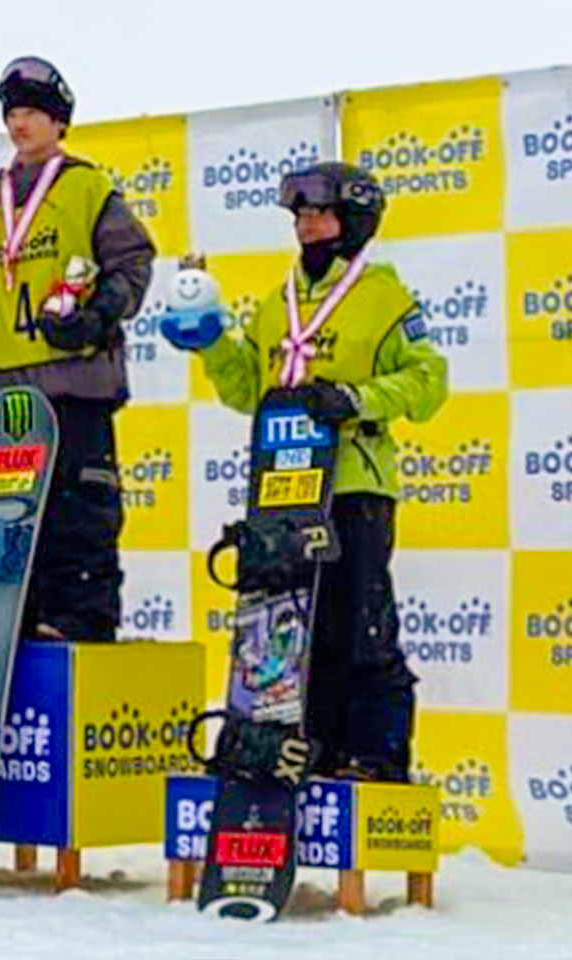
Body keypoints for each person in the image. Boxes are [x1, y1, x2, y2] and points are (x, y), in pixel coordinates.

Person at [165, 160, 450, 782]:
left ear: (353, 223)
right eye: (298, 216)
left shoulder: (386, 297)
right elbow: (248, 389)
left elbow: (430, 384)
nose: (306, 226)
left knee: (359, 622)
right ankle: (308, 749)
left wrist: (355, 399)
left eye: (319, 214)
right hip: (283, 491)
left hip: (353, 487)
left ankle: (374, 756)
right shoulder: (278, 303)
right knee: (290, 635)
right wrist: (211, 339)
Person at [0, 55, 156, 644]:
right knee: (4, 519)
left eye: (33, 113)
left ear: (59, 123)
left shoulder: (87, 187)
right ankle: (11, 616)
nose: (20, 124)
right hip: (6, 392)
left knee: (77, 513)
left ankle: (79, 615)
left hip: (74, 383)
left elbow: (132, 262)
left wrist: (98, 317)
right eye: (13, 113)